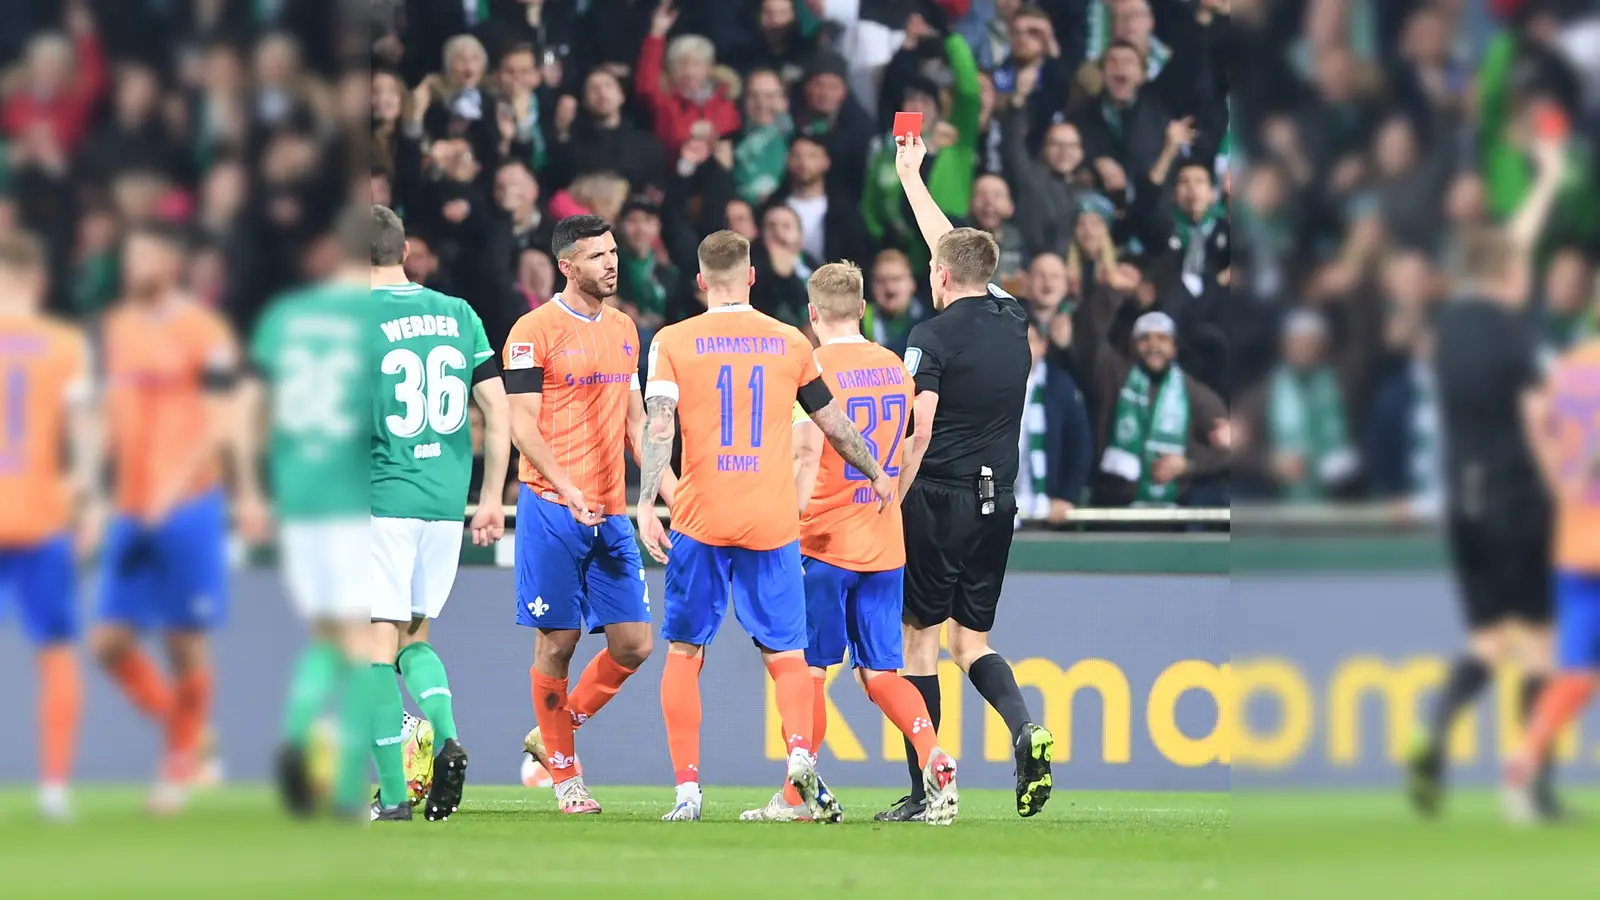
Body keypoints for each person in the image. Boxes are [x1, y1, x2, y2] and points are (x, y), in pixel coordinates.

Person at [635, 230, 892, 822]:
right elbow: (832, 424)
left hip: (700, 516)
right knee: (788, 656)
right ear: (751, 277)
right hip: (772, 520)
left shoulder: (672, 340)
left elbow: (659, 427)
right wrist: (877, 472)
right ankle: (800, 756)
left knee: (683, 649)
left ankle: (687, 792)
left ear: (701, 281)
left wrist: (647, 502)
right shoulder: (789, 342)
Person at [739, 261, 959, 826]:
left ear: (812, 314)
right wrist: (891, 500)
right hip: (885, 544)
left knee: (811, 671)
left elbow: (808, 453)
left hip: (822, 542)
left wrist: (786, 521)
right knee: (883, 674)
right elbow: (913, 446)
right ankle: (933, 756)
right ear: (861, 308)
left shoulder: (809, 368)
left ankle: (798, 799)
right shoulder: (893, 366)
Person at [883, 132, 1054, 822]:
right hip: (998, 502)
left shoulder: (931, 336)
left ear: (940, 277)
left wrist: (890, 496)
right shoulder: (1014, 320)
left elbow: (919, 427)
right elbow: (954, 248)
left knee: (918, 644)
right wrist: (911, 178)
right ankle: (1024, 729)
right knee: (970, 642)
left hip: (938, 499)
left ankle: (931, 791)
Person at [1407, 134, 1567, 820]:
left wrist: (1548, 180)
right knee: (1538, 645)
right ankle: (1525, 786)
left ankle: (1435, 724)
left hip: (1461, 501)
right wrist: (1568, 489)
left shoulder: (1451, 329)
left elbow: (1513, 246)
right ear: (1509, 276)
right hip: (1514, 498)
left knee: (1487, 642)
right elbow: (1537, 421)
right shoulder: (1511, 334)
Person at [504, 214, 677, 815]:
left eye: (613, 252)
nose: (611, 263)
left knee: (634, 645)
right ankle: (566, 776)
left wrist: (667, 490)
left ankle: (557, 732)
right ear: (567, 265)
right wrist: (565, 485)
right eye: (597, 256)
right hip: (553, 509)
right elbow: (521, 423)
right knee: (559, 640)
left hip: (609, 513)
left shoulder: (627, 330)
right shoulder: (533, 330)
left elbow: (637, 425)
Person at [367, 205, 510, 822]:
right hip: (446, 504)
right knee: (413, 638)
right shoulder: (459, 313)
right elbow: (498, 411)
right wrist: (490, 496)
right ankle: (446, 734)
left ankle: (396, 796)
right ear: (405, 250)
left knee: (371, 647)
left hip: (382, 500)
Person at [91, 224, 237, 816]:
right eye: (129, 255)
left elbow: (222, 422)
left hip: (188, 507)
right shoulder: (118, 329)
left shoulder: (205, 331)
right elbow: (111, 415)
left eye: (145, 254)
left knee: (184, 641)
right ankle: (189, 734)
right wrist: (90, 490)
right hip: (130, 506)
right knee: (108, 641)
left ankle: (180, 766)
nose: (134, 265)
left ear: (172, 263)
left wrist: (174, 488)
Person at [237, 208, 374, 819]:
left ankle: (296, 739)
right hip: (353, 496)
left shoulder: (284, 318)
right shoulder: (375, 321)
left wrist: (250, 491)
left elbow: (249, 409)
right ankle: (345, 786)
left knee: (325, 634)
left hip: (297, 497)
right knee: (363, 639)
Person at [0, 232, 98, 820]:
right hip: (41, 515)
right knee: (57, 652)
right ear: (37, 282)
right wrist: (88, 504)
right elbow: (85, 436)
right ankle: (55, 789)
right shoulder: (65, 345)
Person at [1503, 334, 1600, 823]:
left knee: (1577, 675)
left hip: (1575, 541)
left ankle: (1522, 764)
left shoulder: (1566, 367)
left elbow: (1536, 419)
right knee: (1577, 675)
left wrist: (1561, 485)